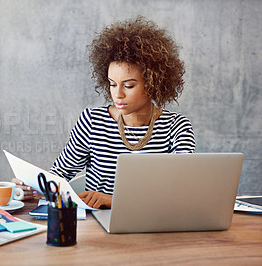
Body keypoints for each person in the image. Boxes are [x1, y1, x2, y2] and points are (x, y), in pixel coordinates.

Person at [12, 16, 195, 208]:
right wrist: (31, 188)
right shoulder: (92, 121)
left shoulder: (177, 127)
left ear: (153, 83)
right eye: (112, 84)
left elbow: (181, 190)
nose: (118, 94)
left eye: (129, 85)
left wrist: (114, 201)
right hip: (98, 223)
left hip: (155, 222)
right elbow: (59, 175)